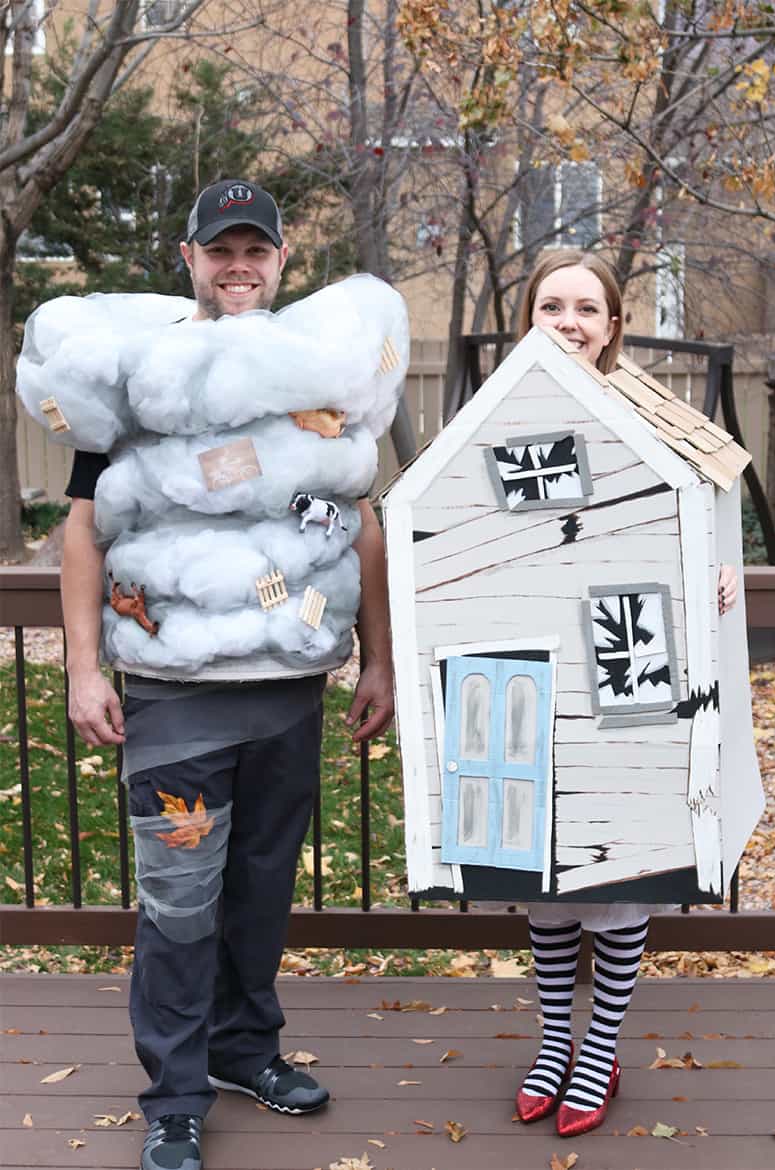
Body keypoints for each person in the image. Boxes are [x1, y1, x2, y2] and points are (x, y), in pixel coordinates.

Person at [57, 180, 397, 1170]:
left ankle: (247, 1051)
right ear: (188, 257)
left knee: (259, 889)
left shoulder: (311, 379)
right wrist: (85, 670)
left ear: (284, 260)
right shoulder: (135, 383)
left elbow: (360, 521)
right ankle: (173, 1092)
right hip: (173, 699)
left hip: (289, 686)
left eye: (256, 248)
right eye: (221, 249)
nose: (238, 264)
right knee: (178, 900)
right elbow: (82, 532)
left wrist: (374, 657)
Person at [513, 250, 737, 1137]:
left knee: (622, 876)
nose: (568, 322)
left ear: (612, 325)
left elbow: (708, 499)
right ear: (529, 314)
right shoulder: (506, 414)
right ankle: (553, 1042)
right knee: (549, 887)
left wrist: (716, 563)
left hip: (632, 656)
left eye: (586, 309)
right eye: (551, 305)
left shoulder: (651, 413)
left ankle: (598, 1052)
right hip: (540, 671)